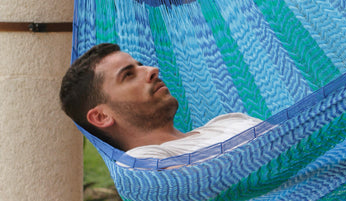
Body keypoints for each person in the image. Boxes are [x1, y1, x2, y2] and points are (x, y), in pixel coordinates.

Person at [60, 43, 261, 159]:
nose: (152, 70)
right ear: (101, 117)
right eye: (128, 75)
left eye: (140, 65)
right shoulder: (145, 163)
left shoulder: (228, 121)